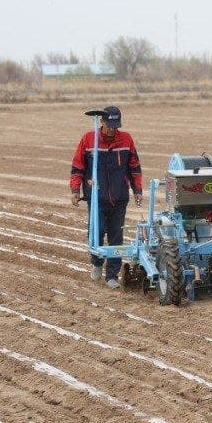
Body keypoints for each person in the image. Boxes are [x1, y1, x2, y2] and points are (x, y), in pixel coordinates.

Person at [69, 106, 142, 289]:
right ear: (101, 122)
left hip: (119, 197)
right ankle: (97, 262)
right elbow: (77, 166)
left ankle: (112, 276)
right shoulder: (89, 140)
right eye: (109, 125)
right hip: (97, 196)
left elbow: (134, 167)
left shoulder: (126, 139)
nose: (112, 129)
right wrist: (75, 189)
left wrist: (137, 190)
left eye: (115, 125)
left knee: (116, 236)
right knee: (97, 231)